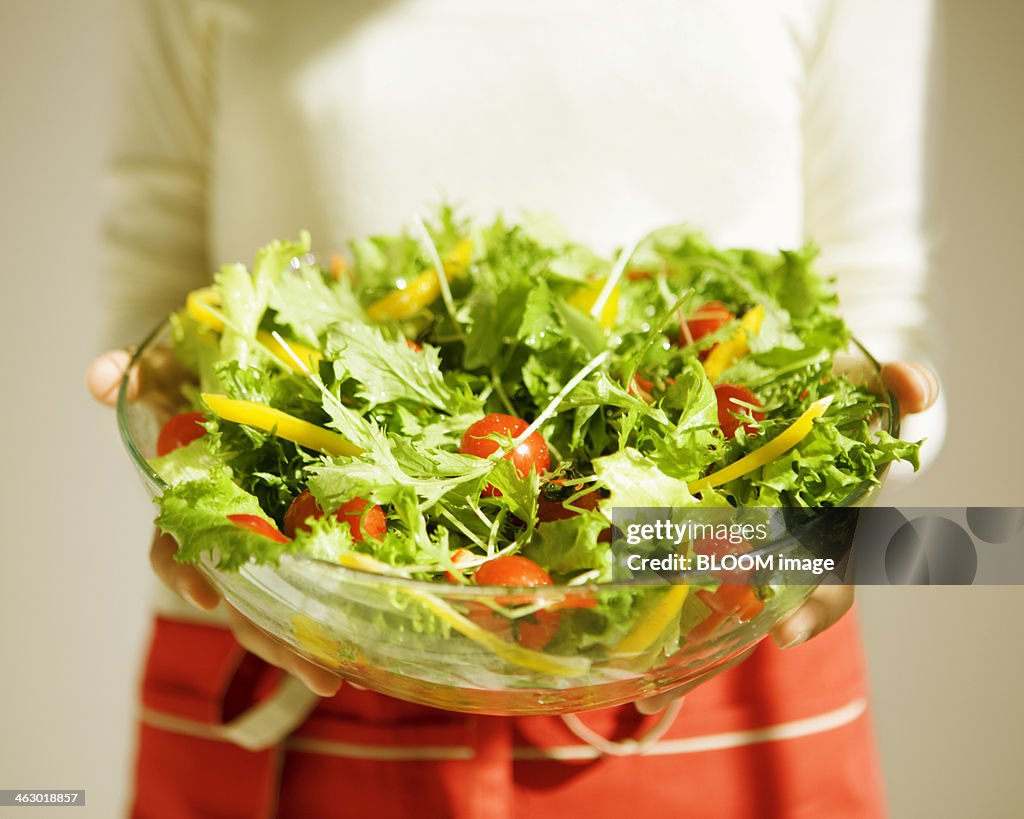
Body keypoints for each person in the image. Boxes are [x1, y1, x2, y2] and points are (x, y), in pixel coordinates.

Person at [88, 1, 941, 816]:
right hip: (303, 633)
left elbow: (857, 301)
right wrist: (205, 476)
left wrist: (836, 505)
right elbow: (161, 285)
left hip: (697, 623)